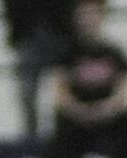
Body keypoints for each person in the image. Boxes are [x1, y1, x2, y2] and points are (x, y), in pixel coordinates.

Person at [40, 0, 127, 158]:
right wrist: (80, 111)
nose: (88, 20)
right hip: (77, 115)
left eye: (93, 14)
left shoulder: (115, 53)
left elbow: (123, 91)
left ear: (102, 17)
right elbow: (60, 92)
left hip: (108, 115)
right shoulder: (66, 54)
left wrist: (107, 109)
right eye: (83, 15)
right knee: (62, 130)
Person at [4, 0, 75, 140]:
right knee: (27, 92)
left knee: (65, 88)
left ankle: (66, 132)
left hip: (60, 31)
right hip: (29, 32)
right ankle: (30, 135)